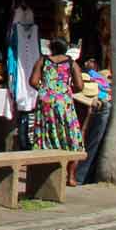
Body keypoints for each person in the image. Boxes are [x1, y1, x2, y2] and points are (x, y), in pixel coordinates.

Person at [30, 38, 86, 179]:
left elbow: (33, 81)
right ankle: (71, 176)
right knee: (71, 137)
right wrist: (63, 91)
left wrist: (46, 91)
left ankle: (47, 175)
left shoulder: (43, 61)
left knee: (47, 135)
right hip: (63, 103)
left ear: (51, 48)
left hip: (45, 102)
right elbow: (79, 86)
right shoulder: (71, 63)